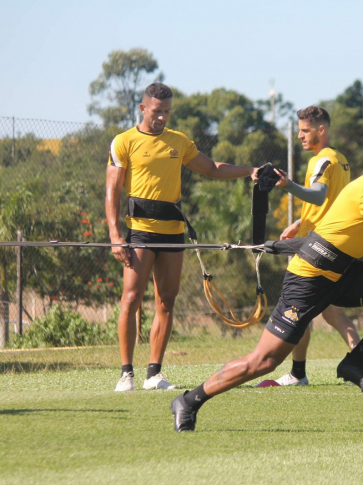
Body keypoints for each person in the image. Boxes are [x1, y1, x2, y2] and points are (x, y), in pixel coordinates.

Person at [171, 138, 363, 431]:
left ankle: (355, 361)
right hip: (310, 276)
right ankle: (189, 400)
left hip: (343, 269)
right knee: (264, 362)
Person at [106, 82, 257, 392]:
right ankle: (126, 374)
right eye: (157, 111)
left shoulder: (179, 141)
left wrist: (250, 170)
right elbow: (111, 191)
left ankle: (154, 374)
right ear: (143, 109)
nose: (162, 117)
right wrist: (114, 234)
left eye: (167, 112)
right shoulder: (124, 142)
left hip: (172, 232)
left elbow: (212, 168)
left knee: (166, 302)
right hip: (139, 233)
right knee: (131, 298)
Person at [271, 106, 359, 386]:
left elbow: (319, 197)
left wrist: (288, 185)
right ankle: (361, 361)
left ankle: (298, 374)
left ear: (321, 130)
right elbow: (333, 203)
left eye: (305, 130)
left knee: (299, 309)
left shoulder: (321, 160)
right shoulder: (341, 160)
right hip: (331, 243)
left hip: (316, 248)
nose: (300, 136)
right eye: (299, 130)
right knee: (333, 312)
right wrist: (301, 221)